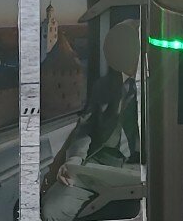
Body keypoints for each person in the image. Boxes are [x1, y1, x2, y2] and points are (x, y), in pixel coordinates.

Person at [41, 21, 141, 221]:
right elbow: (85, 131)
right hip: (96, 166)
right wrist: (73, 160)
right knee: (53, 208)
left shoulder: (163, 90)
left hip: (138, 170)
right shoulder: (103, 86)